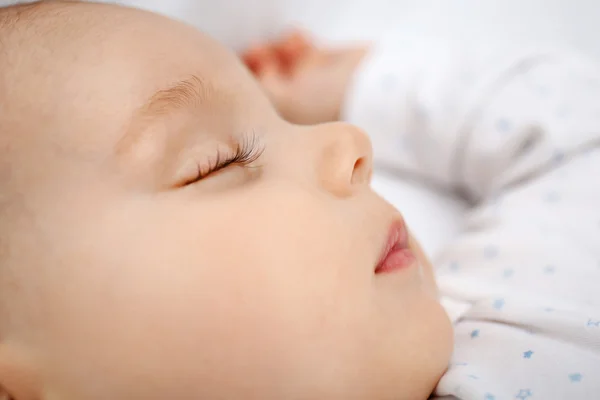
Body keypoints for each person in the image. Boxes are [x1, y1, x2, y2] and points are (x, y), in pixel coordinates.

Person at [0, 2, 597, 400]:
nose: (350, 143)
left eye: (282, 120)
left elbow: (580, 136)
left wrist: (361, 86)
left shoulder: (514, 349)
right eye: (218, 160)